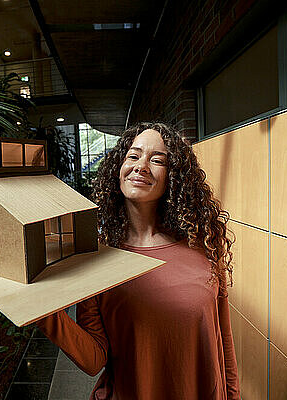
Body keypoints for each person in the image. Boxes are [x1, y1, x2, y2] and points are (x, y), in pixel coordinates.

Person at [36, 122, 240, 400]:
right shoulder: (96, 261)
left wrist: (233, 395)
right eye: (133, 156)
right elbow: (94, 359)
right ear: (118, 169)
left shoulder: (201, 248)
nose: (141, 166)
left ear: (174, 177)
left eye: (157, 160)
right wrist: (42, 310)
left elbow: (223, 341)